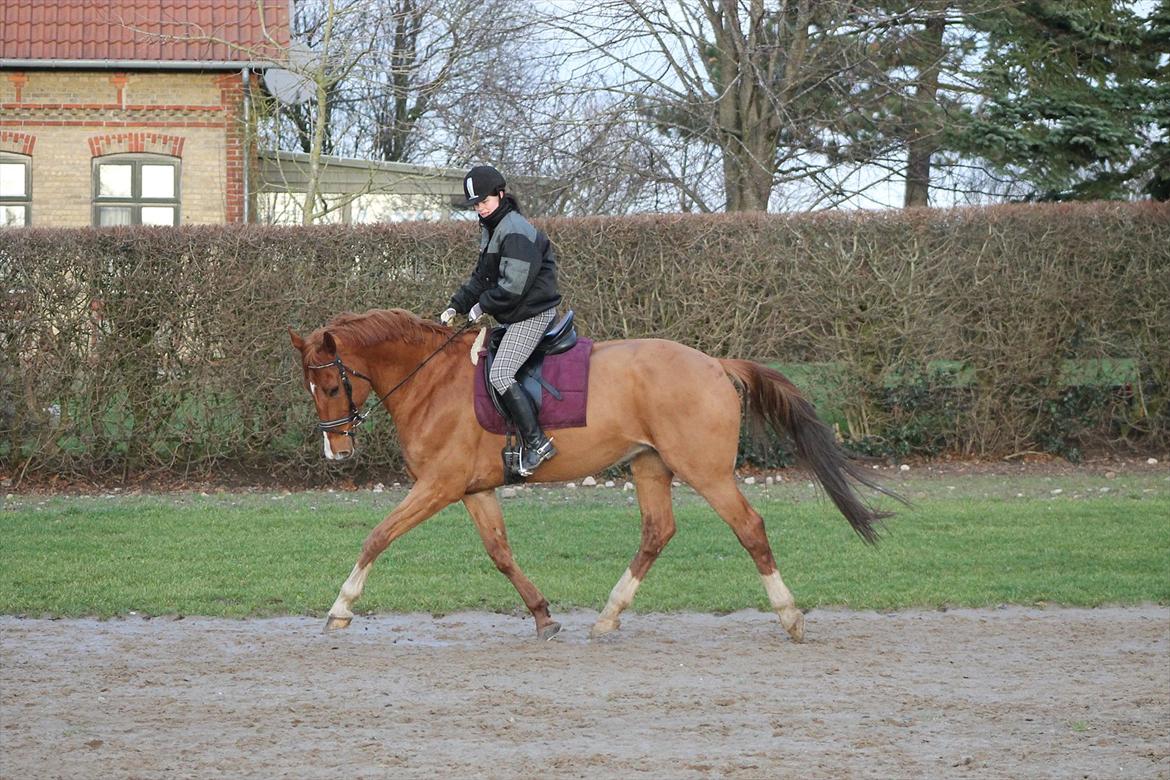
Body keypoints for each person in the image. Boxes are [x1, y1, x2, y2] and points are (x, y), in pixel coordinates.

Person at [440, 164, 561, 476]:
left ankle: (537, 443)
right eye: (476, 205)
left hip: (533, 314)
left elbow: (512, 288)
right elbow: (482, 277)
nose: (480, 209)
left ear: (501, 194)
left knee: (501, 374)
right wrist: (456, 305)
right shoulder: (493, 227)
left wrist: (483, 306)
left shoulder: (516, 231)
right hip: (516, 314)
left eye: (484, 202)